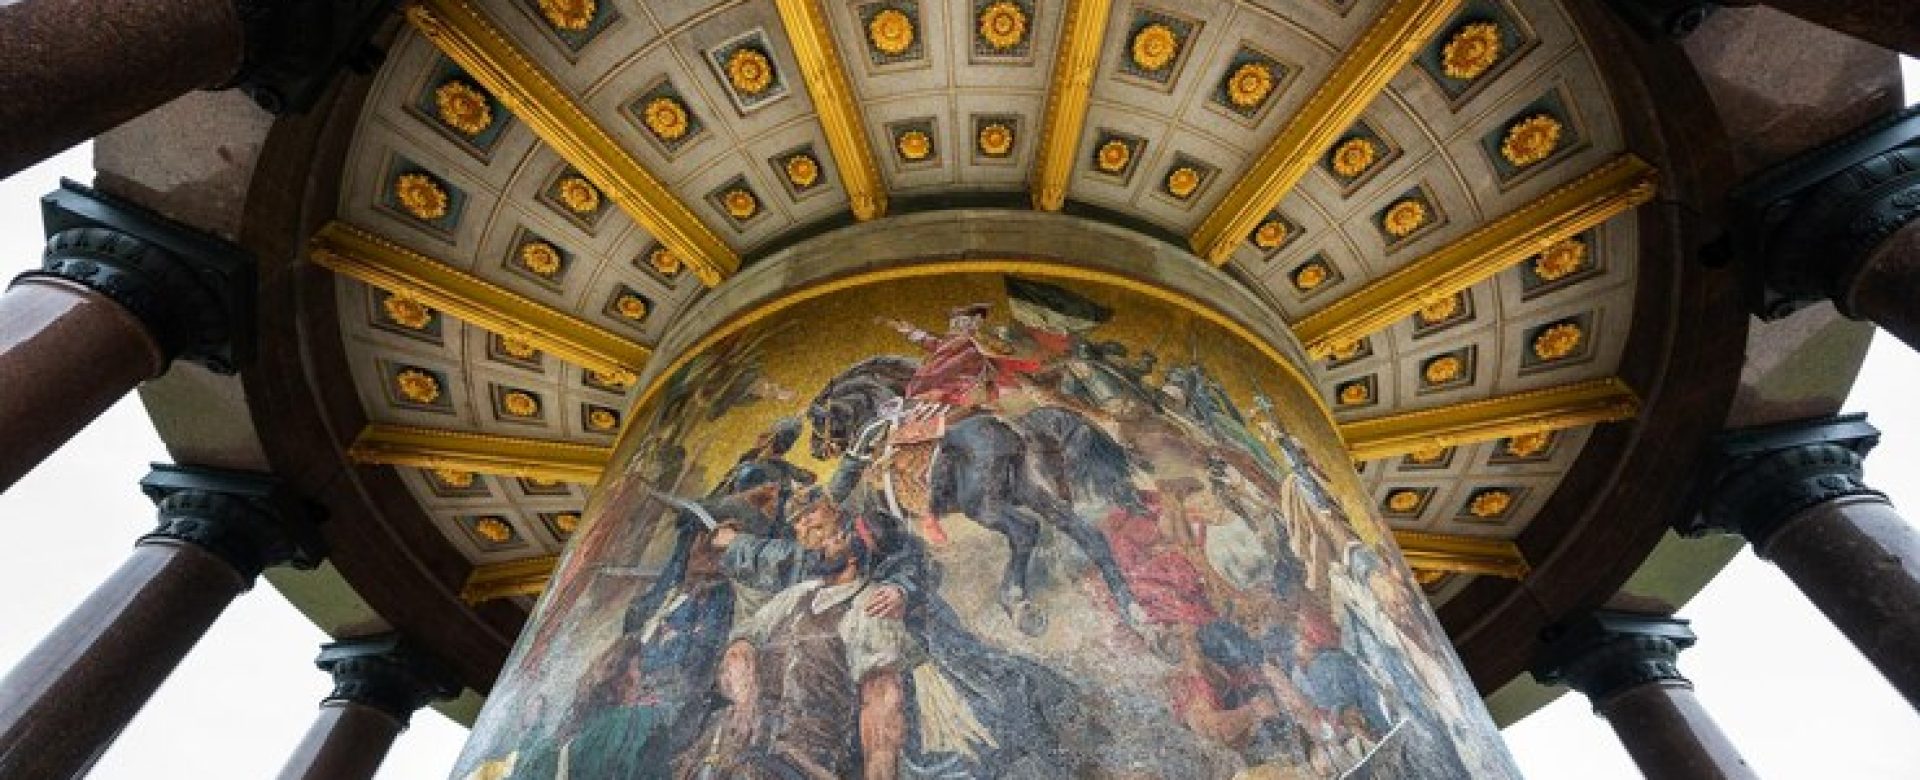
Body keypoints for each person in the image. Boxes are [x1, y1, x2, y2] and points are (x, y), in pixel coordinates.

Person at [683, 493, 918, 779]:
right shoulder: (798, 594)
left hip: (807, 763)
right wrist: (745, 695)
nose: (822, 543)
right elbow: (744, 641)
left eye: (834, 538)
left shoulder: (870, 608)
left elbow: (882, 707)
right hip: (738, 748)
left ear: (854, 555)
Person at [878, 303, 1039, 409]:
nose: (955, 325)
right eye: (954, 321)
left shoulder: (981, 341)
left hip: (958, 391)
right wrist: (904, 329)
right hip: (923, 388)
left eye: (961, 321)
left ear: (975, 322)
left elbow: (1005, 351)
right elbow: (925, 339)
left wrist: (978, 340)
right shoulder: (947, 340)